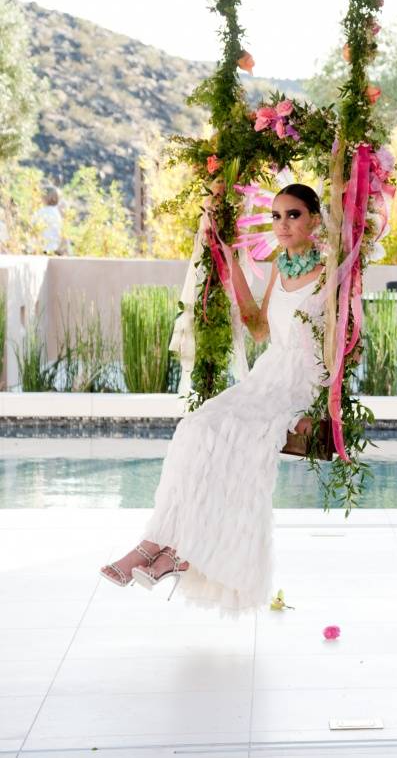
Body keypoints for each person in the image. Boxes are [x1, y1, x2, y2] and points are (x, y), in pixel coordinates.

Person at [99, 183, 328, 615]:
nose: (282, 224)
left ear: (314, 219)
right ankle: (159, 544)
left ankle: (184, 550)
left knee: (239, 433)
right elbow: (258, 328)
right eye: (276, 216)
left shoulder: (333, 273)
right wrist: (229, 262)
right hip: (267, 375)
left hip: (301, 380)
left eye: (293, 215)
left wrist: (322, 407)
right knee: (196, 426)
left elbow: (347, 345)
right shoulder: (279, 267)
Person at [35, 186, 65, 255]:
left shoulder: (41, 212)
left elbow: (33, 227)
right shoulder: (59, 212)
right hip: (56, 247)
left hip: (43, 247)